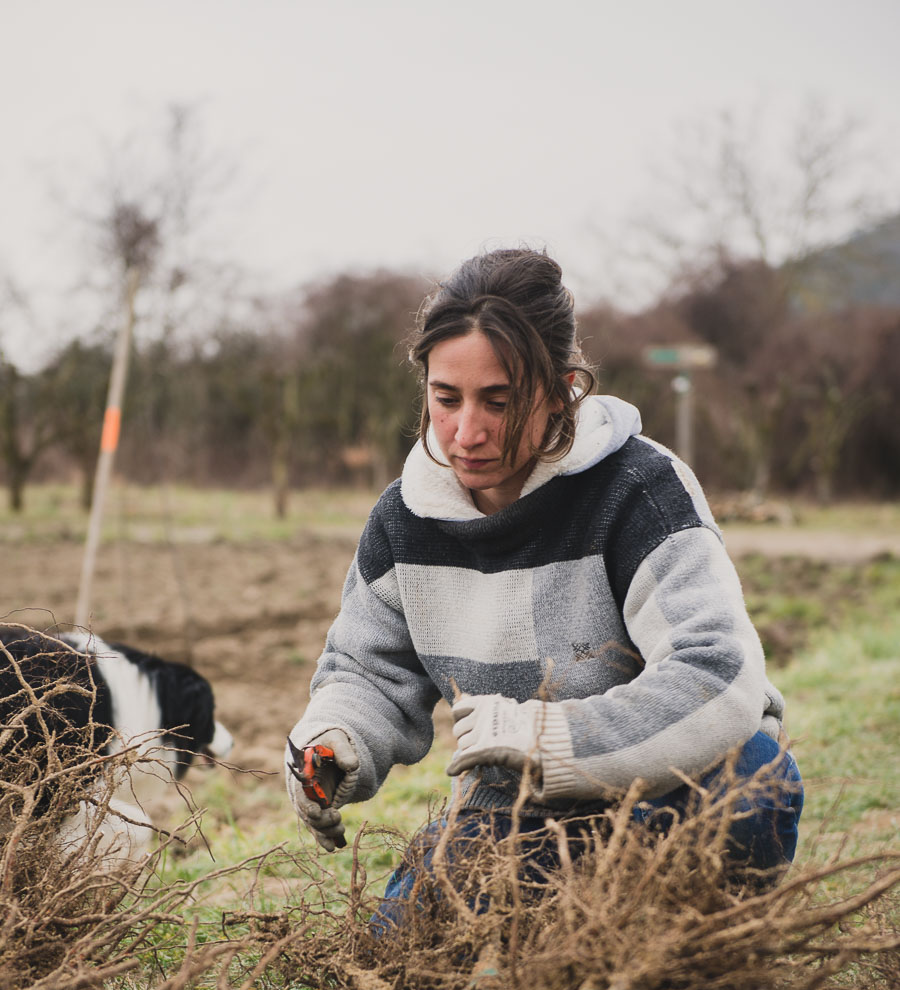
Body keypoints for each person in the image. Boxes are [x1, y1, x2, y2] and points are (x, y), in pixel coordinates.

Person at [284, 247, 803, 923]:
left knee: (757, 781)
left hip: (663, 799)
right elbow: (367, 674)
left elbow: (716, 674)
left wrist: (547, 738)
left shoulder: (638, 490)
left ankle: (699, 967)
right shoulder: (401, 521)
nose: (465, 431)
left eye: (498, 401)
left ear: (560, 391)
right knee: (400, 940)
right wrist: (330, 741)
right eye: (446, 398)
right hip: (515, 822)